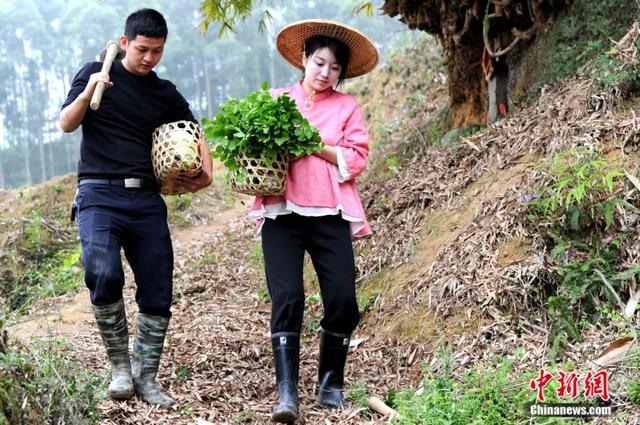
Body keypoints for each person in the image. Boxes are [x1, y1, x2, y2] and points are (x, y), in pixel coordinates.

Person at [59, 8, 212, 407]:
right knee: (102, 272)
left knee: (159, 288)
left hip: (146, 198)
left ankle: (146, 376)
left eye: (157, 51)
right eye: (143, 49)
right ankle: (119, 368)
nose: (149, 58)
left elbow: (194, 131)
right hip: (98, 193)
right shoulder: (96, 70)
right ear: (125, 43)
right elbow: (66, 123)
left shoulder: (164, 93)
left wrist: (206, 171)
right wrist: (92, 86)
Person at [249, 19, 378, 423]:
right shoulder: (276, 100)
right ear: (304, 60)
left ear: (342, 72)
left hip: (329, 212)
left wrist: (314, 144)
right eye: (319, 62)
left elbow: (355, 158)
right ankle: (287, 395)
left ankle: (330, 385)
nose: (325, 73)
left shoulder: (346, 107)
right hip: (282, 210)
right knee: (287, 299)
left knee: (343, 298)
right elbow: (251, 149)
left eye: (334, 68)